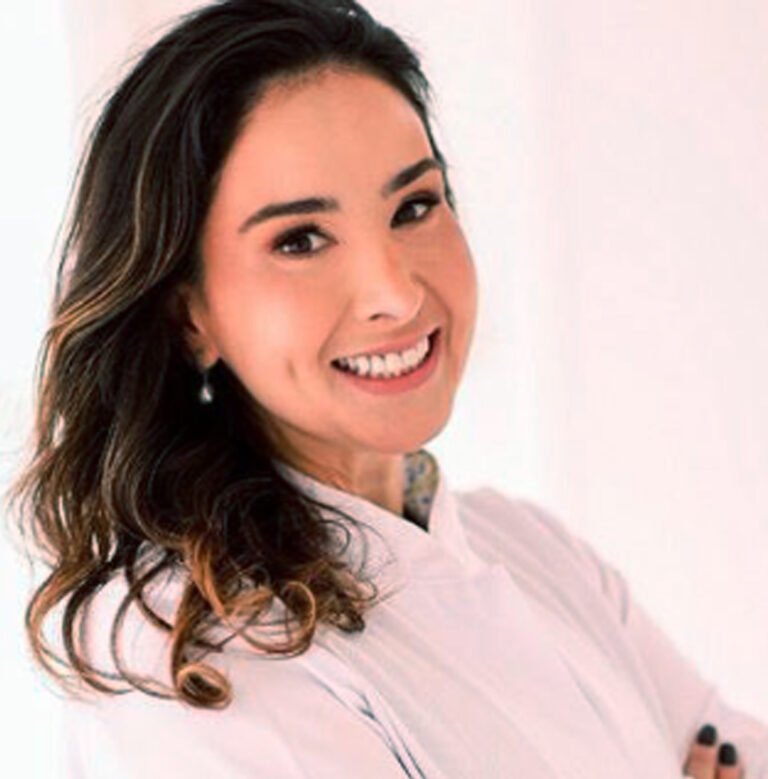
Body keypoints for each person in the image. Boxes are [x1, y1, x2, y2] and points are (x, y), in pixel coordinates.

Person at [4, 0, 767, 776]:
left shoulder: (536, 550)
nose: (396, 295)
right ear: (188, 312)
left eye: (414, 206)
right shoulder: (185, 653)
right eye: (301, 239)